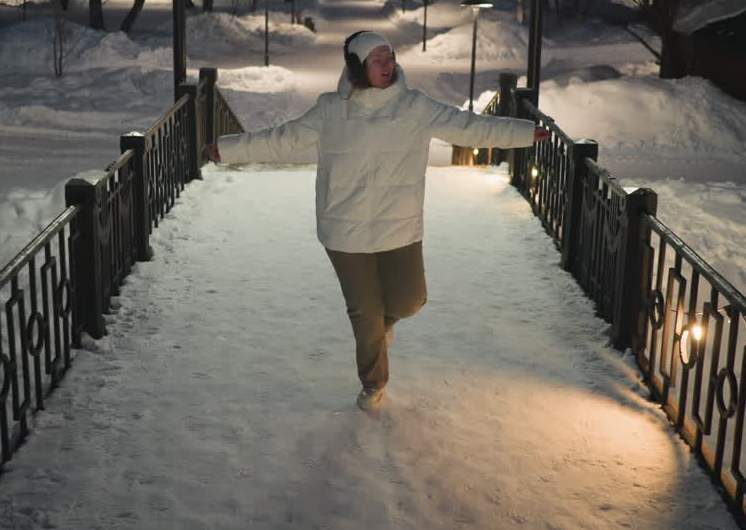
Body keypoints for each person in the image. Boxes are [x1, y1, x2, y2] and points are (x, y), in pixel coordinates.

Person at [205, 31, 551, 411]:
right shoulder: (330, 110)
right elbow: (280, 139)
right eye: (377, 60)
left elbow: (470, 127)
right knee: (364, 311)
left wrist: (522, 132)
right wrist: (227, 148)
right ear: (357, 67)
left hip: (398, 226)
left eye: (390, 57)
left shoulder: (415, 107)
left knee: (410, 300)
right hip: (344, 228)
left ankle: (382, 328)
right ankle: (374, 383)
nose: (387, 65)